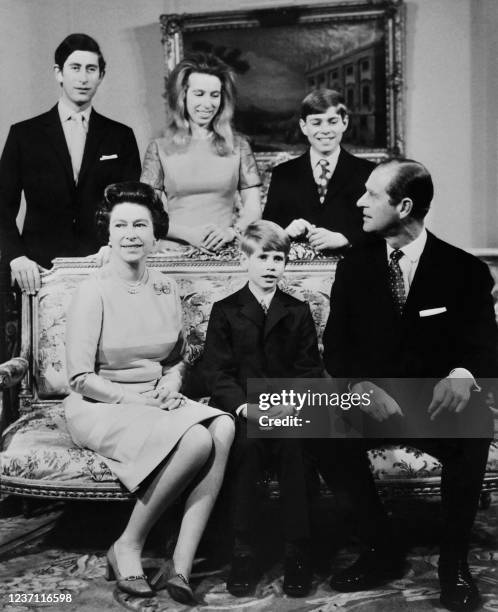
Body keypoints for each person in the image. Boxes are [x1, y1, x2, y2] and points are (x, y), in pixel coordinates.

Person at [316, 159, 498, 611]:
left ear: (404, 206)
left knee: (475, 420)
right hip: (371, 401)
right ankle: (382, 547)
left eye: (372, 195)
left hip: (436, 405)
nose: (359, 202)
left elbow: (485, 347)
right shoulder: (354, 266)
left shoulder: (466, 270)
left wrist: (462, 376)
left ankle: (453, 564)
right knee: (302, 416)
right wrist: (358, 385)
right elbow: (336, 348)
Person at [63, 182, 234, 604]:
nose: (131, 234)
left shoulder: (165, 286)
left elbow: (177, 357)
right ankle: (129, 543)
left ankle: (181, 563)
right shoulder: (92, 290)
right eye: (121, 225)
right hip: (100, 405)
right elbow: (79, 377)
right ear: (108, 233)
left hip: (155, 398)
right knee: (196, 437)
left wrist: (172, 383)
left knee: (225, 426)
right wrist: (135, 399)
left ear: (156, 233)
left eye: (140, 224)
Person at [202, 220, 323, 597]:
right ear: (245, 260)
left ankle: (296, 551)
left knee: (294, 448)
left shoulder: (297, 310)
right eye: (263, 257)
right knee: (248, 449)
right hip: (246, 412)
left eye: (279, 258)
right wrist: (243, 407)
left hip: (287, 409)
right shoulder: (226, 310)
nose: (271, 266)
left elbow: (309, 370)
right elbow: (217, 371)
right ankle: (243, 550)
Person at [0, 33, 141, 295]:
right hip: (38, 270)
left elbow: (131, 205)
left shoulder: (120, 136)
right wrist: (16, 257)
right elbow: (1, 205)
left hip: (105, 264)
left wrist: (114, 246)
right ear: (59, 73)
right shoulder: (24, 134)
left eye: (91, 69)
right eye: (75, 68)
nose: (83, 77)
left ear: (101, 75)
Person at [141, 52, 261, 252]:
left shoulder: (239, 147)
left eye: (214, 95)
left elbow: (253, 208)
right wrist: (189, 236)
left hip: (225, 251)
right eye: (199, 94)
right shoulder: (158, 148)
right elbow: (147, 213)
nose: (207, 104)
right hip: (173, 254)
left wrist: (231, 233)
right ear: (182, 96)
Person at [263, 89, 375, 251]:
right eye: (316, 123)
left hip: (353, 267)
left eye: (332, 121)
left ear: (344, 122)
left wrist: (346, 237)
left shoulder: (368, 172)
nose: (325, 130)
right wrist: (285, 232)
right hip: (299, 271)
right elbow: (267, 230)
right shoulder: (283, 173)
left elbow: (383, 228)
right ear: (304, 126)